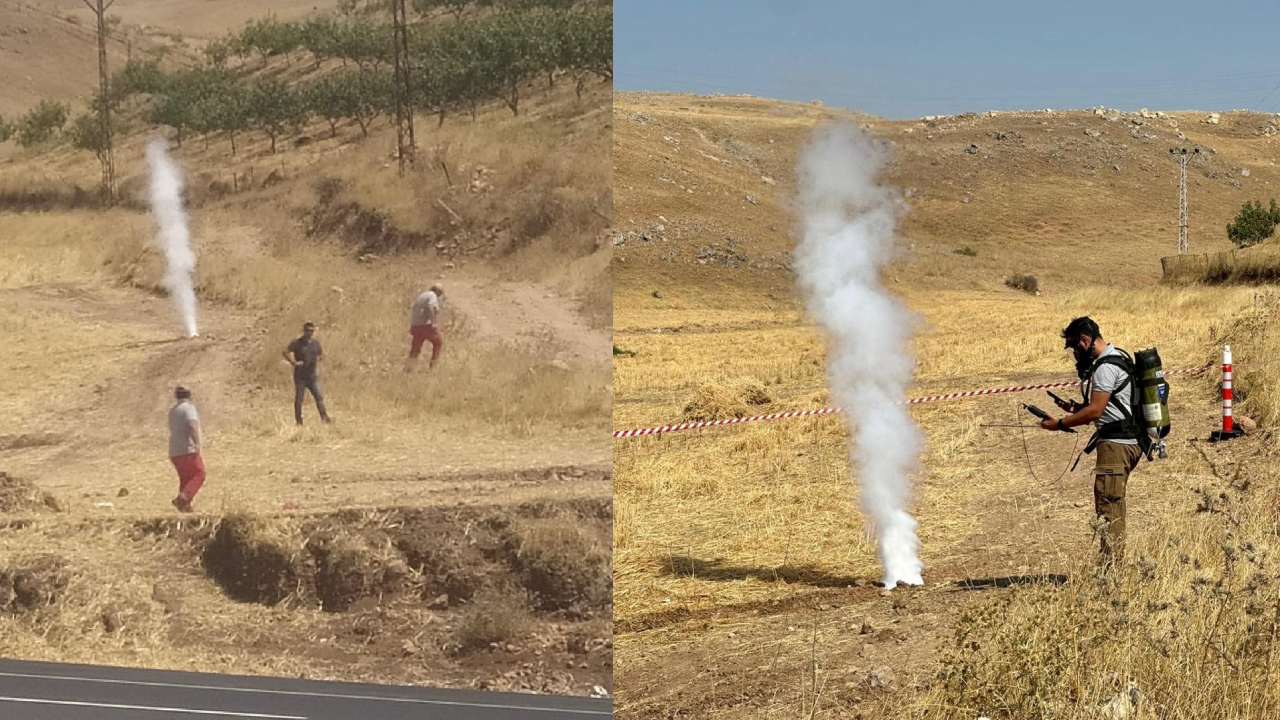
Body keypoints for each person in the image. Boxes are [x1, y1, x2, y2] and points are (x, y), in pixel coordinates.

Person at [1041, 317, 1143, 567]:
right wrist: (1076, 409)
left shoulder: (1105, 367)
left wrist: (1062, 423)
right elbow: (1106, 407)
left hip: (1115, 446)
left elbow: (1096, 411)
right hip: (1126, 441)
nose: (1076, 355)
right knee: (1114, 505)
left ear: (1085, 341)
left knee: (1108, 507)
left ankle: (1111, 571)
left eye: (1074, 348)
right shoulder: (1118, 356)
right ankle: (1113, 567)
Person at [283, 322, 330, 425]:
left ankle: (325, 418)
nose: (309, 333)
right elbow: (285, 352)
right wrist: (293, 362)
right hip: (300, 376)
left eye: (311, 331)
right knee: (299, 400)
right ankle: (299, 421)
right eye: (307, 330)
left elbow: (321, 354)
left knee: (319, 397)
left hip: (312, 376)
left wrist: (318, 359)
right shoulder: (297, 343)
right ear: (303, 331)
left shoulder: (315, 344)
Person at [168, 386, 204, 513]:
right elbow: (192, 425)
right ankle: (183, 498)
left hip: (174, 451)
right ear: (189, 395)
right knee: (199, 474)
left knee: (186, 478)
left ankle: (185, 507)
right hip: (187, 449)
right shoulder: (189, 408)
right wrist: (197, 444)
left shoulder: (173, 410)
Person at [407, 283, 444, 370]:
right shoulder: (432, 295)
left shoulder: (423, 295)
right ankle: (433, 367)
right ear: (437, 291)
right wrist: (433, 322)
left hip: (415, 325)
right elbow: (430, 306)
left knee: (416, 347)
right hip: (424, 325)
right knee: (438, 342)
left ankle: (409, 367)